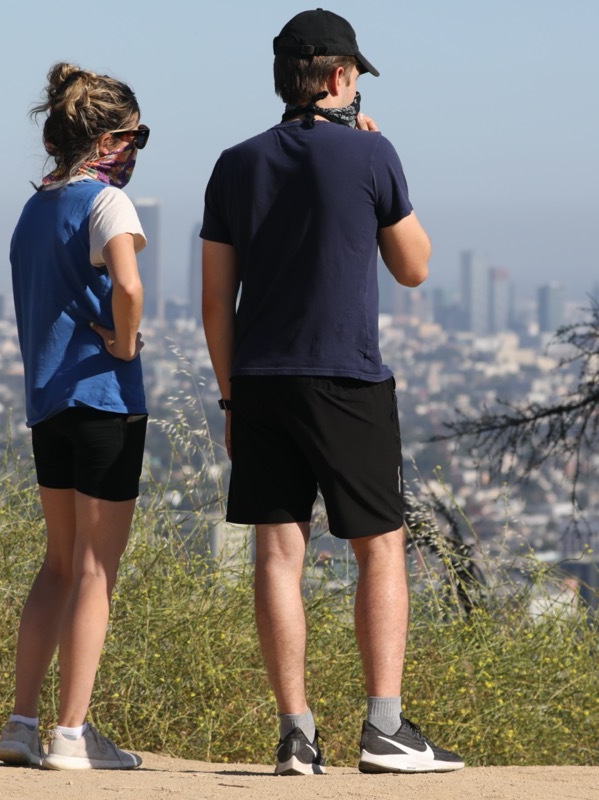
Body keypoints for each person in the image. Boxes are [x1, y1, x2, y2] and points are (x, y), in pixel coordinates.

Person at [200, 9, 465, 776]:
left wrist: (229, 400)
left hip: (257, 382)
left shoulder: (234, 163)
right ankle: (384, 730)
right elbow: (414, 266)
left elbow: (218, 301)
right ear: (343, 77)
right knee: (379, 548)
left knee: (277, 553)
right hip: (346, 376)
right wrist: (373, 157)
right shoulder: (371, 153)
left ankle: (296, 736)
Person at [0, 61, 150, 772]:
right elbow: (129, 284)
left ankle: (21, 724)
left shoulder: (33, 211)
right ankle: (72, 734)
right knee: (95, 571)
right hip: (106, 403)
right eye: (136, 136)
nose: (137, 150)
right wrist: (123, 340)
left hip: (48, 407)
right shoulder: (106, 204)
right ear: (109, 136)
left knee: (58, 564)